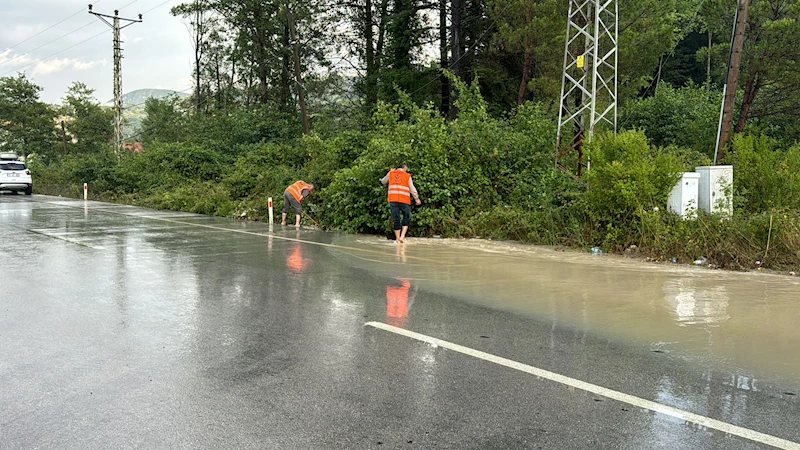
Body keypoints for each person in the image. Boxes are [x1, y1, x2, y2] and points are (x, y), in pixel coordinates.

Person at [381, 164, 421, 243]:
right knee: (406, 217)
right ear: (404, 168)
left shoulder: (391, 173)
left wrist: (389, 172)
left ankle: (397, 238)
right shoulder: (407, 176)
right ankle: (402, 237)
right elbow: (412, 189)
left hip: (393, 199)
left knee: (396, 218)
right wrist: (417, 199)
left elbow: (383, 182)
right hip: (404, 200)